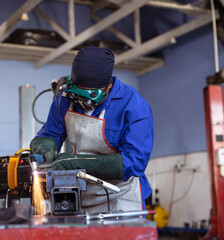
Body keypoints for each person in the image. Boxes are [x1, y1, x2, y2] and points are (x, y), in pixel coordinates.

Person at [30, 46, 153, 214]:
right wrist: (44, 146)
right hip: (80, 194)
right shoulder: (64, 99)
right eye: (78, 96)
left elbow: (134, 162)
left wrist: (75, 163)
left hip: (120, 196)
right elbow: (51, 132)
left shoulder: (133, 106)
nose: (81, 104)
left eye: (88, 98)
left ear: (108, 85)